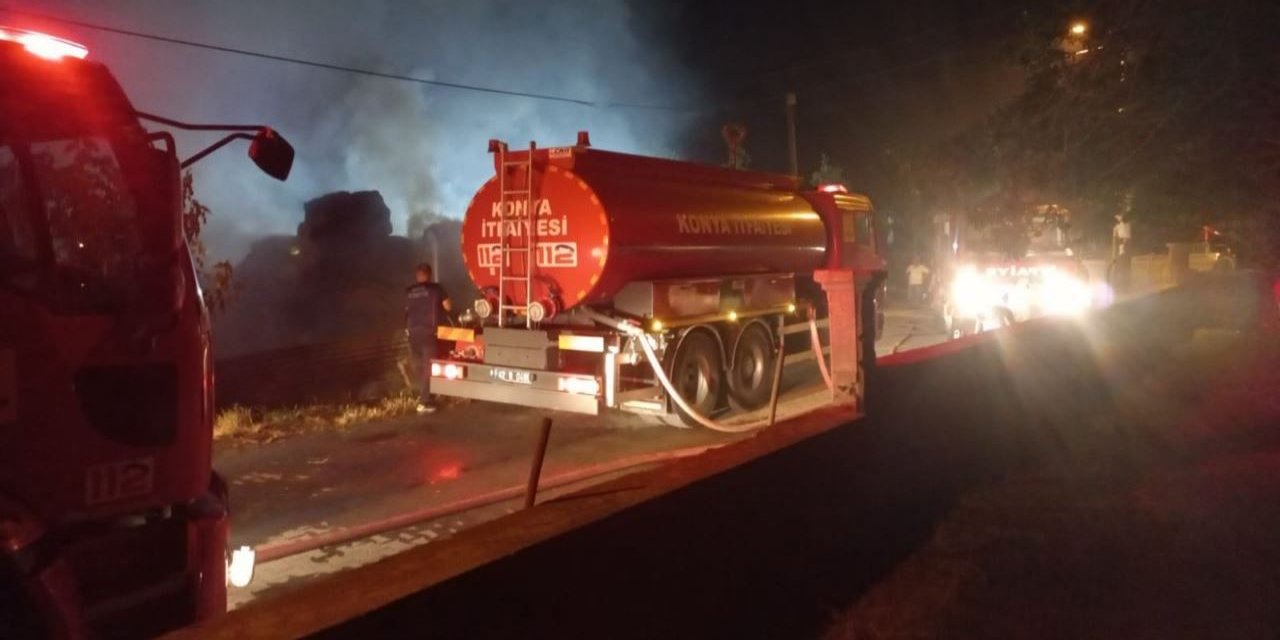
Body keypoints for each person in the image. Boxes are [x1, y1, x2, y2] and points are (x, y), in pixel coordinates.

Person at [405, 263, 451, 414]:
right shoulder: (436, 289)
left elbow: (406, 310)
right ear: (429, 275)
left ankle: (422, 395)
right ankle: (425, 402)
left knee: (418, 367)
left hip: (412, 333)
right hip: (428, 333)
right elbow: (448, 306)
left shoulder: (409, 291)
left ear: (417, 276)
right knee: (428, 368)